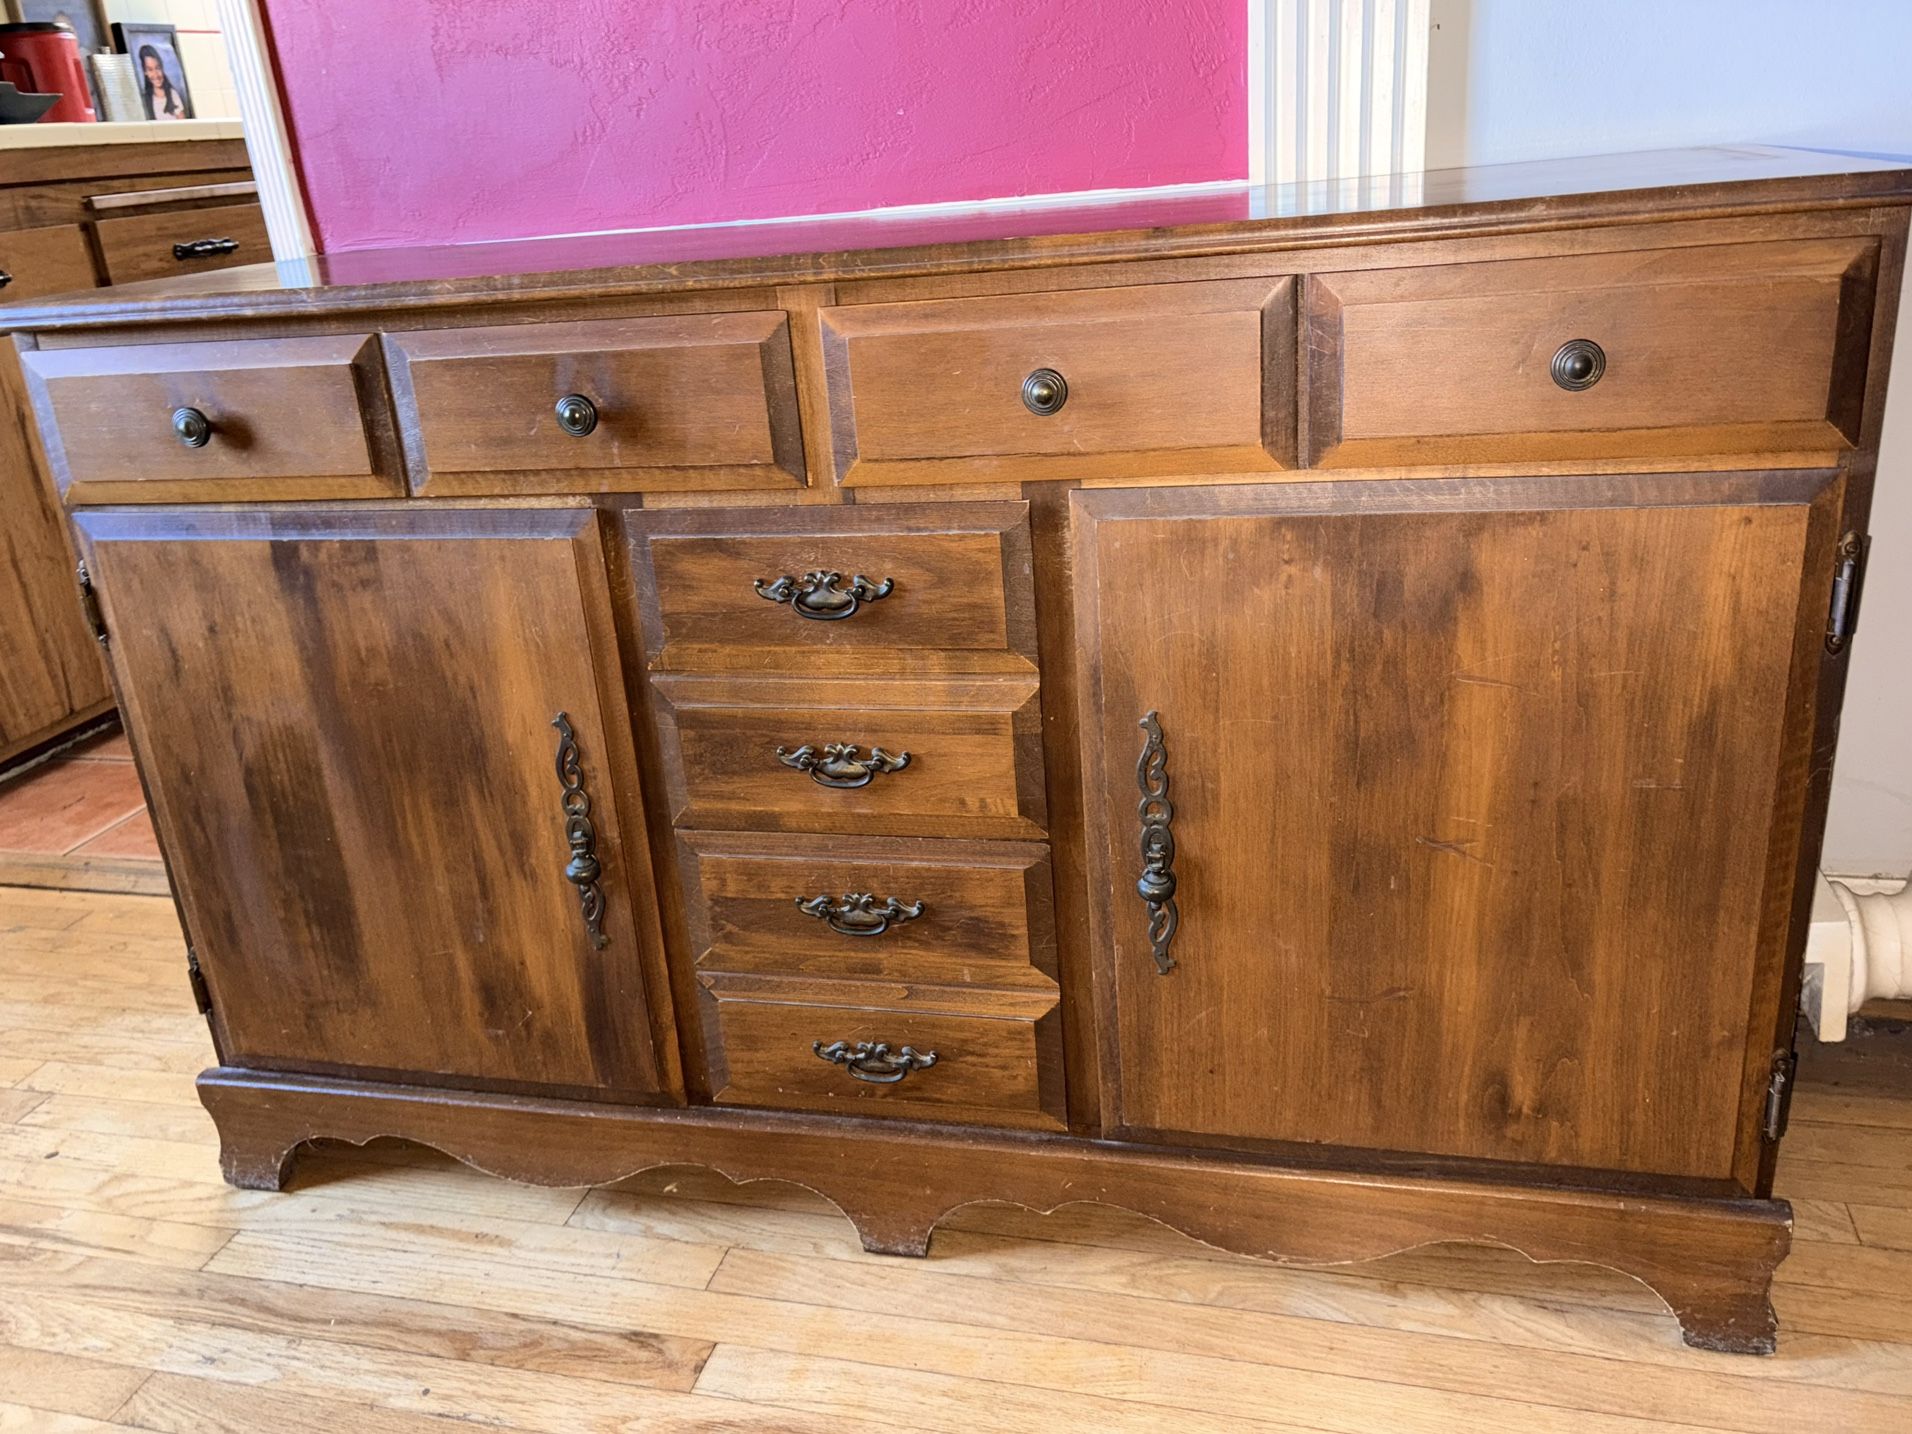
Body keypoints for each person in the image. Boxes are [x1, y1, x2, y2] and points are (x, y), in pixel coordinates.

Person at [138, 43, 187, 121]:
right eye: (150, 69)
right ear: (145, 71)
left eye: (158, 68)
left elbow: (183, 124)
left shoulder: (172, 94)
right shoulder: (145, 100)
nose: (156, 75)